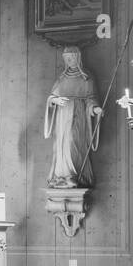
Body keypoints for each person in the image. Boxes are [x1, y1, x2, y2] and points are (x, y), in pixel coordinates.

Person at [44, 46, 102, 188]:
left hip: (78, 115)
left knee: (73, 142)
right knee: (62, 144)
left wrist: (95, 109)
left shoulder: (86, 78)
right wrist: (54, 100)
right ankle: (62, 176)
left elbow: (90, 98)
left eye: (72, 57)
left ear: (78, 57)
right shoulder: (62, 78)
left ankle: (74, 175)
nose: (69, 60)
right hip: (62, 116)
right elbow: (52, 96)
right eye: (67, 58)